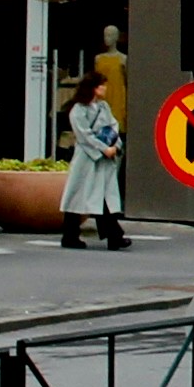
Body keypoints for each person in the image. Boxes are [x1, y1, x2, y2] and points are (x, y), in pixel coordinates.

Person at [59, 60, 130, 250]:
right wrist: (103, 149)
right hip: (87, 159)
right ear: (93, 88)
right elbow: (84, 136)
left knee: (104, 197)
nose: (105, 89)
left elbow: (113, 126)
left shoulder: (103, 107)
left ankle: (113, 235)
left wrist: (115, 145)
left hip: (103, 161)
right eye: (102, 86)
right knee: (77, 198)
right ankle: (70, 236)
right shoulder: (78, 110)